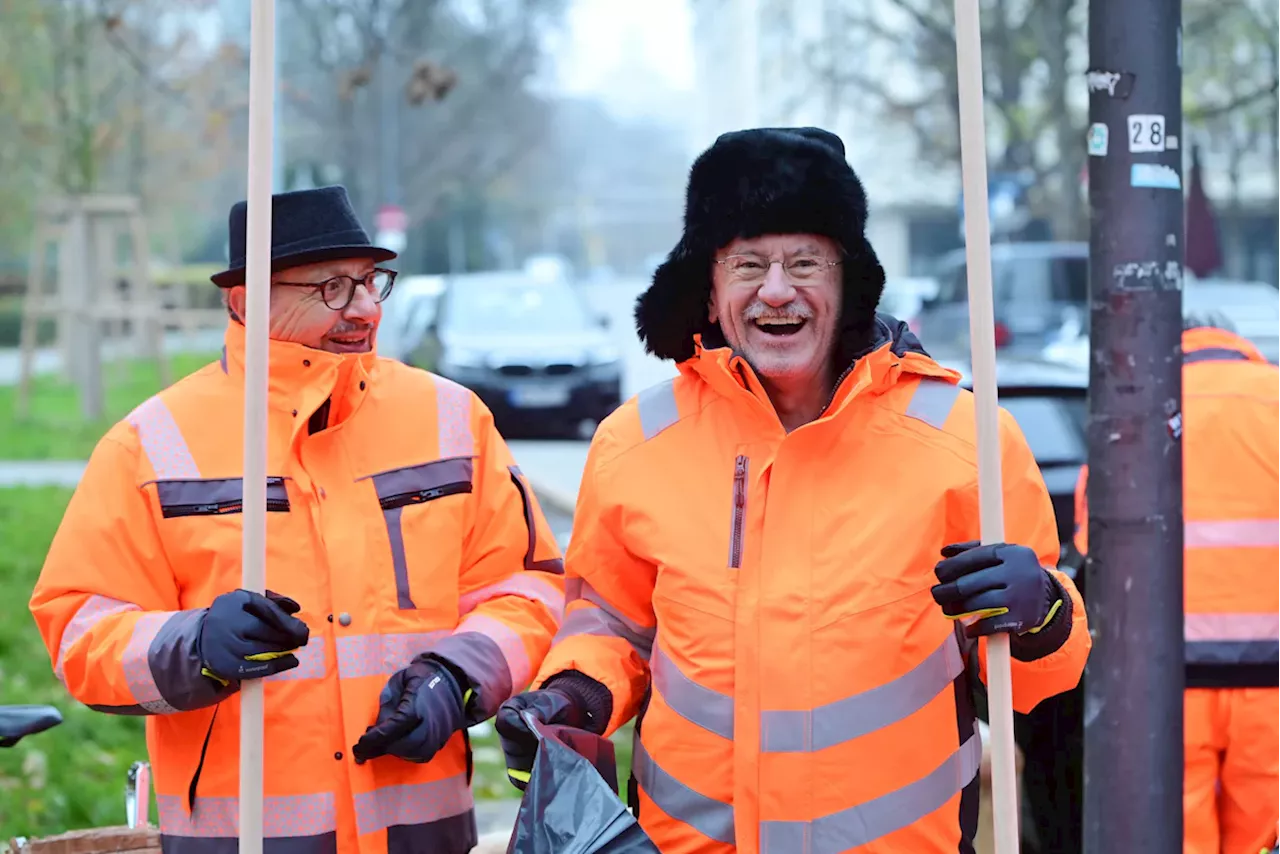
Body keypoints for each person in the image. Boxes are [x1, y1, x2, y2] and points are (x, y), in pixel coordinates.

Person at [492, 127, 1091, 853]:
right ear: (708, 294)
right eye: (747, 264)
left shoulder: (967, 441)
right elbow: (609, 627)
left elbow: (1036, 685)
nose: (777, 290)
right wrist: (573, 696)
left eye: (805, 261)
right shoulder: (634, 443)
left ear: (849, 283)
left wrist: (1044, 614)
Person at [29, 186, 565, 854]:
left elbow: (531, 588)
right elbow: (80, 629)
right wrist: (193, 646)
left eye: (371, 282)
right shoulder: (152, 443)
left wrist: (454, 676)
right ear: (248, 302)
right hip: (242, 839)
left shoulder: (452, 418)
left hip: (419, 833)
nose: (365, 308)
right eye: (333, 288)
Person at [1073, 314, 1280, 854]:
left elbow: (1096, 548)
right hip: (1273, 686)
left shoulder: (1133, 415)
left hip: (1160, 687)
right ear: (1238, 345)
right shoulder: (1275, 398)